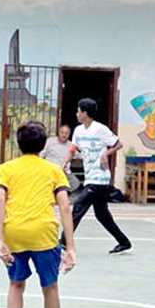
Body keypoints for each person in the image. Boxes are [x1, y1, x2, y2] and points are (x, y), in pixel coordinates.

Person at [0, 121, 76, 308]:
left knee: (16, 284)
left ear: (18, 144)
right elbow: (65, 206)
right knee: (50, 288)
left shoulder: (5, 169)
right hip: (44, 234)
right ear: (43, 145)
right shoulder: (53, 170)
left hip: (15, 232)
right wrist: (70, 247)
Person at [64, 98, 132, 255]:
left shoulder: (100, 129)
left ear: (85, 113)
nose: (76, 114)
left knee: (78, 207)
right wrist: (65, 163)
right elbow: (73, 149)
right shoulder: (78, 130)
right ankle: (124, 242)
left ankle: (63, 242)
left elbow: (118, 144)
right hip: (89, 177)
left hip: (100, 178)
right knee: (102, 215)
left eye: (78, 111)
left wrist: (106, 154)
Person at [40, 124, 80, 192]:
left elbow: (80, 155)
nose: (64, 135)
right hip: (50, 171)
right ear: (58, 132)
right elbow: (41, 155)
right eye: (62, 132)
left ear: (69, 134)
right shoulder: (50, 141)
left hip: (63, 173)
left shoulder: (71, 145)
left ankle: (59, 193)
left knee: (76, 184)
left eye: (66, 133)